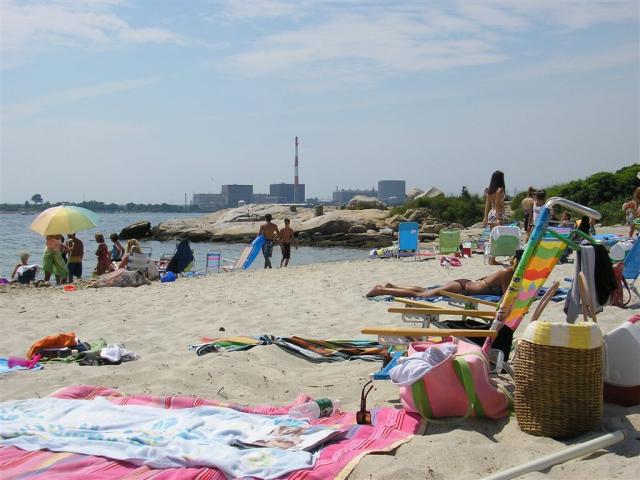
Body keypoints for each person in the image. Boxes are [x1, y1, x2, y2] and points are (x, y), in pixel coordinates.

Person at [366, 250, 523, 298]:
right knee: (422, 296)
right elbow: (507, 295)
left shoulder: (507, 271)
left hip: (464, 284)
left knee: (423, 290)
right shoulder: (508, 272)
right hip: (462, 288)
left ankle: (392, 286)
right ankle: (381, 290)